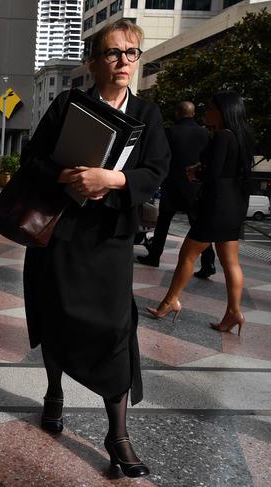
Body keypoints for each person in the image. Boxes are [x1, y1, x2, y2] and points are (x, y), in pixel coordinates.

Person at [22, 20, 169, 478]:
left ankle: (118, 433)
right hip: (62, 235)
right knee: (55, 317)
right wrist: (66, 175)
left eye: (131, 52)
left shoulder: (148, 114)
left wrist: (116, 180)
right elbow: (34, 158)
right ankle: (53, 393)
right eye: (112, 53)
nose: (123, 61)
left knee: (116, 331)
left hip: (110, 242)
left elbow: (157, 170)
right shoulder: (69, 104)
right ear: (93, 62)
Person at [147, 92, 254, 336]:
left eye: (211, 108)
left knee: (187, 256)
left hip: (215, 206)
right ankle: (234, 312)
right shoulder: (244, 136)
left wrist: (197, 172)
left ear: (223, 111)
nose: (207, 112)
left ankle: (170, 301)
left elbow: (213, 173)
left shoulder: (222, 136)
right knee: (231, 263)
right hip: (235, 205)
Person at [137, 101, 216, 275]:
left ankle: (154, 256)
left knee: (163, 223)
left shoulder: (170, 132)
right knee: (199, 226)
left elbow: (163, 157)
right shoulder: (204, 133)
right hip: (196, 186)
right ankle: (208, 263)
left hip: (172, 184)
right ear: (193, 114)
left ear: (177, 114)